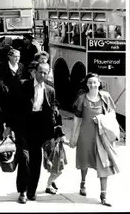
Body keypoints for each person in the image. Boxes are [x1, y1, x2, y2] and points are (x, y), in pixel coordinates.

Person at [4, 62, 56, 204]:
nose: (43, 75)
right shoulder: (22, 85)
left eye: (46, 73)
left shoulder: (50, 90)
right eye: (40, 72)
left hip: (39, 129)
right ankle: (22, 191)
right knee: (25, 159)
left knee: (36, 160)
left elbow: (51, 113)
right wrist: (8, 126)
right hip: (23, 127)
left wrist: (51, 136)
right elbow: (12, 106)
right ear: (34, 72)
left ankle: (32, 190)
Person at [70, 73, 120, 207]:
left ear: (99, 83)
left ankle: (103, 195)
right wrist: (73, 136)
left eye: (95, 82)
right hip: (85, 135)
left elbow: (112, 115)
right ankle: (83, 182)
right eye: (90, 82)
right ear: (87, 84)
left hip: (102, 136)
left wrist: (102, 120)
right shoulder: (81, 99)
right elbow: (77, 119)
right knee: (84, 162)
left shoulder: (106, 97)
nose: (92, 85)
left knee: (105, 165)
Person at [43, 102, 69, 194]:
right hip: (50, 146)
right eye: (53, 108)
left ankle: (52, 182)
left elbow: (60, 132)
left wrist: (63, 140)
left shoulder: (58, 117)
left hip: (57, 147)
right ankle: (48, 186)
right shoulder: (46, 119)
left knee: (58, 168)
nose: (55, 110)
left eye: (56, 108)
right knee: (55, 170)